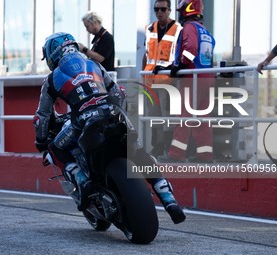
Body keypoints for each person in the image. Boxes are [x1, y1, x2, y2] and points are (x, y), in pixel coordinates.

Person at [33, 32, 185, 224]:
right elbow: (117, 92)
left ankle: (83, 181)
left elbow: (43, 116)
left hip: (82, 119)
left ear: (52, 55)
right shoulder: (94, 64)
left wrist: (40, 140)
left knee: (55, 148)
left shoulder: (52, 78)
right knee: (137, 152)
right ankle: (169, 200)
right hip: (114, 113)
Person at [160, 0, 216, 163]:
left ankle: (176, 154)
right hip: (207, 77)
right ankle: (205, 155)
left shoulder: (189, 28)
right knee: (203, 118)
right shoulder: (205, 31)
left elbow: (190, 49)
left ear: (187, 10)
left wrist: (181, 64)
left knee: (185, 115)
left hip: (193, 78)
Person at [142, 0, 182, 158]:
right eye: (156, 9)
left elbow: (180, 55)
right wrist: (142, 74)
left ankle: (167, 148)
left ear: (169, 10)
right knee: (153, 116)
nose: (159, 12)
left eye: (162, 9)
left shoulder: (178, 29)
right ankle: (156, 147)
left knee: (168, 117)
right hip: (150, 81)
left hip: (168, 82)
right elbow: (146, 54)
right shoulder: (149, 29)